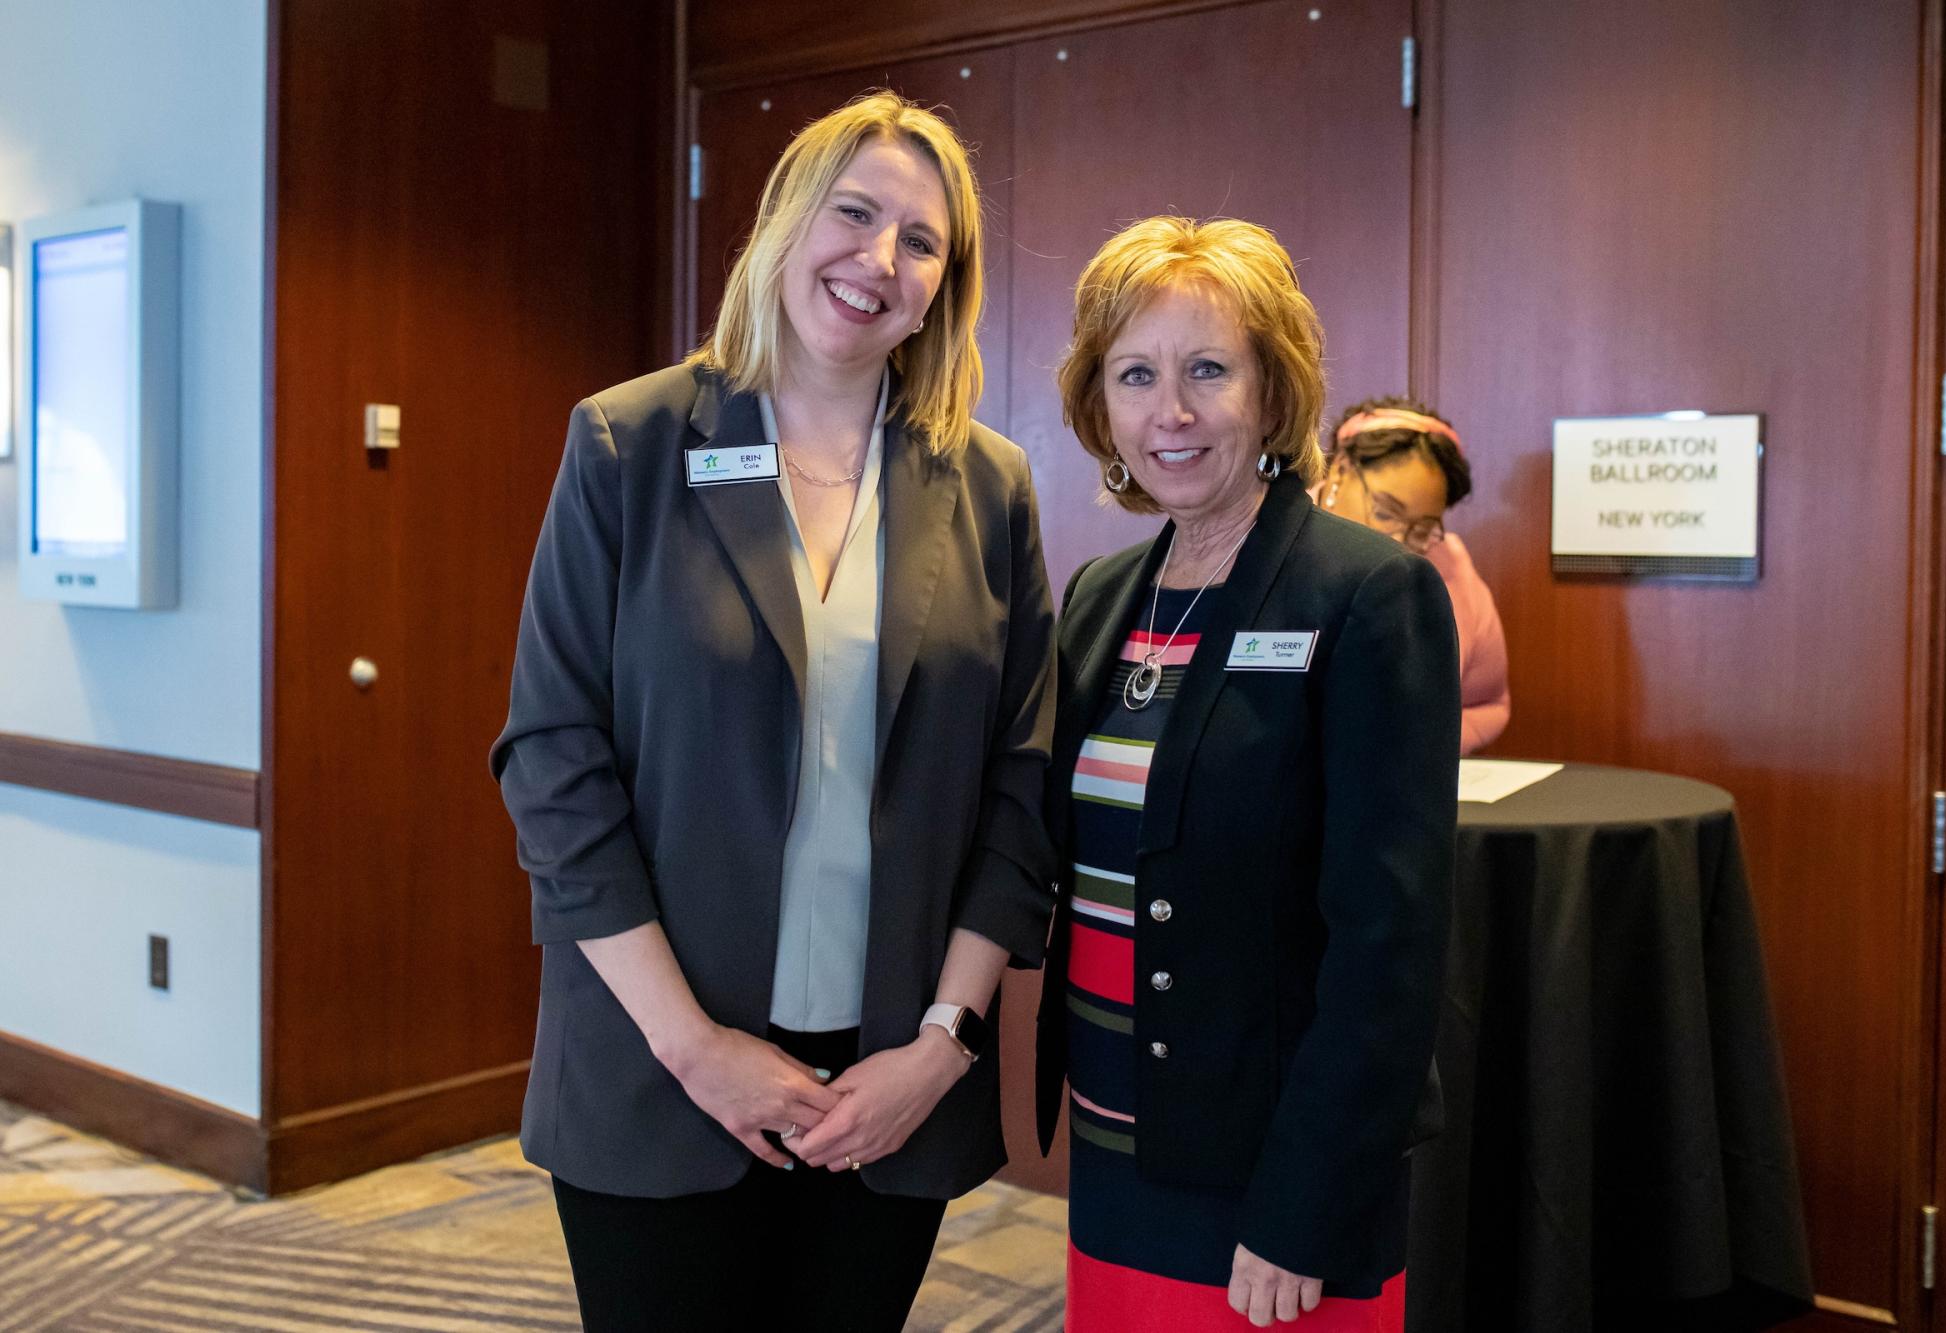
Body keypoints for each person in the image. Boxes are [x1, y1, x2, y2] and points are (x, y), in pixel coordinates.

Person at [490, 92, 1057, 1332]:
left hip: (890, 1083)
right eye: (853, 214)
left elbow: (1019, 789)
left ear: (943, 287)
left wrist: (942, 1044)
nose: (879, 259)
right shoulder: (628, 444)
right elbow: (552, 763)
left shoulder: (987, 484)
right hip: (658, 1069)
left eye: (921, 241)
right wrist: (693, 1045)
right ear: (786, 220)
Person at [1036, 217, 1459, 1331]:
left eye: (1207, 370)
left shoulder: (1366, 594)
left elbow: (1389, 944)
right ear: (1101, 406)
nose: (1168, 411)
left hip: (1272, 1170)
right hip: (1118, 1135)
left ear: (1272, 394)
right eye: (1135, 374)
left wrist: (1303, 1203)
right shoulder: (1100, 595)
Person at [1315, 399, 1510, 753]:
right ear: (1341, 470)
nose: (1400, 542)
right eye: (1386, 513)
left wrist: (1419, 750)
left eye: (1422, 529)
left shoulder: (1451, 568)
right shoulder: (1270, 543)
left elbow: (1486, 704)